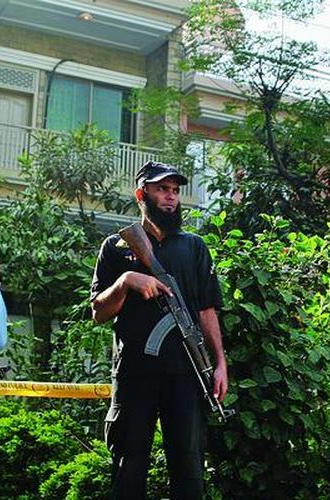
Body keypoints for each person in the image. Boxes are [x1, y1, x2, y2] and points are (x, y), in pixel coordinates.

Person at [91, 161, 228, 499]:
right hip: (134, 373)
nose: (171, 197)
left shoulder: (194, 247)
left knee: (189, 470)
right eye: (162, 189)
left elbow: (206, 310)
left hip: (186, 374)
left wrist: (220, 364)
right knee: (128, 469)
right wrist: (126, 281)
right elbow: (98, 312)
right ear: (141, 195)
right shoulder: (116, 247)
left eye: (175, 191)